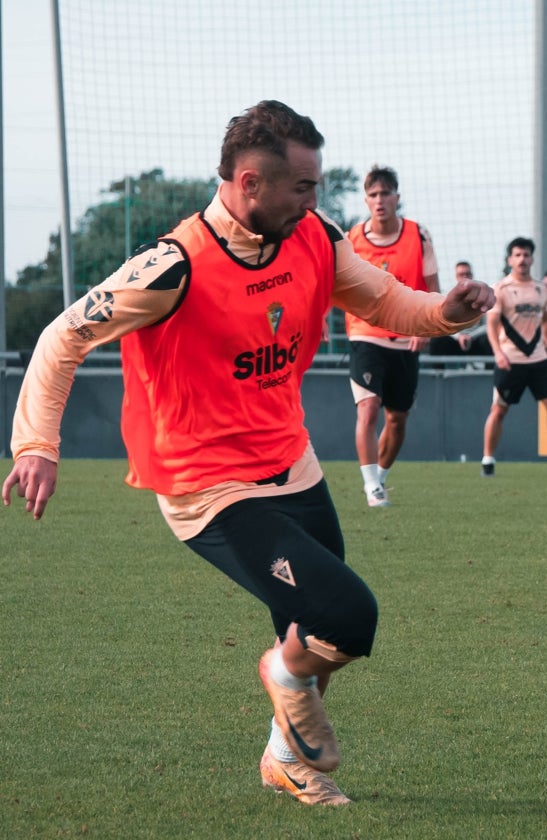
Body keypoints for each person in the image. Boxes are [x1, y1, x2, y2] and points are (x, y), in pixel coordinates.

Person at [1, 100, 494, 807]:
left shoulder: (314, 237)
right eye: (302, 187)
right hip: (208, 487)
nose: (314, 202)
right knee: (347, 617)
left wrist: (448, 310)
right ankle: (284, 678)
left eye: (317, 187)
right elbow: (62, 336)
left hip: (292, 463)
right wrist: (37, 444)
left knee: (310, 624)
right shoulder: (172, 267)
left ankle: (285, 759)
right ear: (248, 183)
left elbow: (386, 301)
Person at [343, 165, 439, 508]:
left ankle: (380, 479)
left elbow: (432, 289)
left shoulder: (418, 235)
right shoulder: (351, 239)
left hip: (406, 337)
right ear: (366, 200)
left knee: (397, 420)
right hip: (365, 334)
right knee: (368, 409)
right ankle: (370, 485)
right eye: (373, 194)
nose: (379, 200)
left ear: (397, 198)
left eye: (385, 193)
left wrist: (426, 327)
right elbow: (332, 283)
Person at [480, 237, 547, 478]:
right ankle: (487, 461)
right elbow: (492, 325)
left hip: (538, 360)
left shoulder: (541, 289)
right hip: (510, 360)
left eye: (526, 255)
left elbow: (545, 320)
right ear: (510, 259)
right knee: (499, 410)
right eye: (517, 255)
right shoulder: (501, 289)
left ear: (532, 258)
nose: (522, 260)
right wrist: (498, 354)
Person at [429, 261, 492, 359]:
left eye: (468, 274)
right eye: (461, 274)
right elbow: (442, 324)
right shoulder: (446, 296)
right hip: (454, 340)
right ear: (456, 276)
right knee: (437, 339)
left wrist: (471, 336)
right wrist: (459, 337)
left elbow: (487, 325)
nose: (465, 277)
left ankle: (489, 373)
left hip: (475, 340)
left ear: (472, 275)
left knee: (488, 338)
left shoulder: (481, 296)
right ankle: (438, 373)